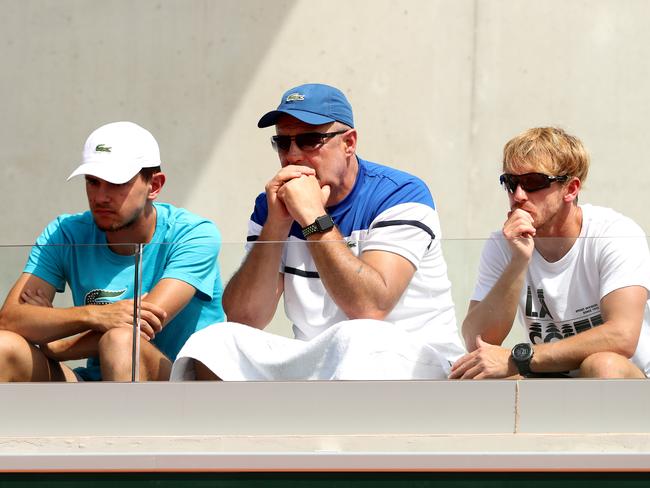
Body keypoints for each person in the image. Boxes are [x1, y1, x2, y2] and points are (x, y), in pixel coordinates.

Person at [171, 83, 464, 381]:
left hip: (413, 359)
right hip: (324, 356)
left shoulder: (400, 194)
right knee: (215, 342)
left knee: (359, 336)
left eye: (310, 140)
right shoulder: (271, 205)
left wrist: (313, 216)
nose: (293, 155)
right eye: (283, 143)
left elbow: (370, 306)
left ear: (349, 142)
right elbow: (245, 317)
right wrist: (277, 224)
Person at [0, 121, 225, 381]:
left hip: (182, 392)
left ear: (154, 186)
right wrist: (93, 315)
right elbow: (10, 320)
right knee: (4, 347)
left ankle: (127, 422)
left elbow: (140, 325)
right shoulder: (64, 232)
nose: (100, 197)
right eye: (93, 182)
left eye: (116, 183)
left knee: (121, 341)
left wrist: (54, 342)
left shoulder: (194, 234)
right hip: (96, 382)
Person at [450, 127, 650, 379]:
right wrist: (518, 262)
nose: (518, 195)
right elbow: (477, 339)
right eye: (510, 183)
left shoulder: (614, 233)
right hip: (549, 380)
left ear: (571, 189)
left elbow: (622, 336)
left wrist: (518, 357)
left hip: (631, 387)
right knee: (479, 370)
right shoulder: (504, 243)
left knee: (602, 365)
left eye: (533, 182)